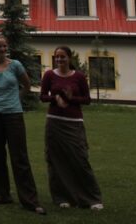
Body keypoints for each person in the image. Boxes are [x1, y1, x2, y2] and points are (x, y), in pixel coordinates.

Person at [0, 34, 45, 214]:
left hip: (13, 115)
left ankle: (29, 200)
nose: (2, 49)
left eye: (5, 46)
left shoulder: (16, 66)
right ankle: (2, 194)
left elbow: (27, 86)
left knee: (19, 157)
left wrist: (17, 99)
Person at [39, 46, 103, 210]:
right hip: (54, 122)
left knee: (80, 159)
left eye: (63, 57)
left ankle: (91, 198)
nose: (60, 60)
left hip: (73, 122)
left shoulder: (79, 77)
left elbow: (87, 99)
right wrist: (56, 98)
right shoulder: (49, 75)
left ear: (70, 58)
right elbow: (43, 96)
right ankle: (62, 198)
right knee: (56, 160)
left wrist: (70, 99)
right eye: (57, 57)